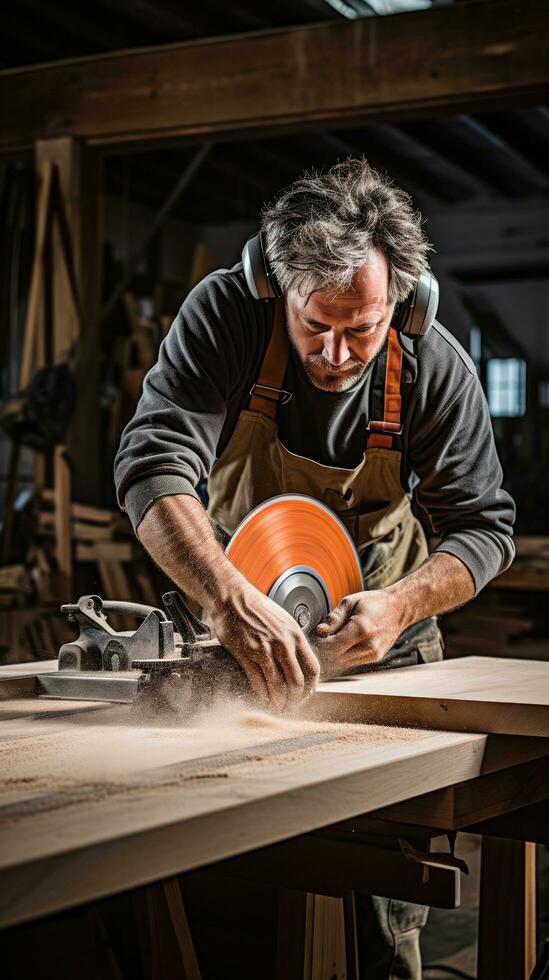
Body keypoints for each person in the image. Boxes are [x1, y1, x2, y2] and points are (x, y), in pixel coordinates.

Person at [114, 158, 515, 978]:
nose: (336, 353)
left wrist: (400, 605)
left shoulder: (431, 364)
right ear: (276, 288)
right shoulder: (226, 315)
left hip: (383, 656)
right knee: (219, 889)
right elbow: (151, 466)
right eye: (314, 324)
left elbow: (484, 529)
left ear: (403, 300)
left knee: (380, 897)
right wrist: (226, 599)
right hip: (234, 645)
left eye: (360, 328)